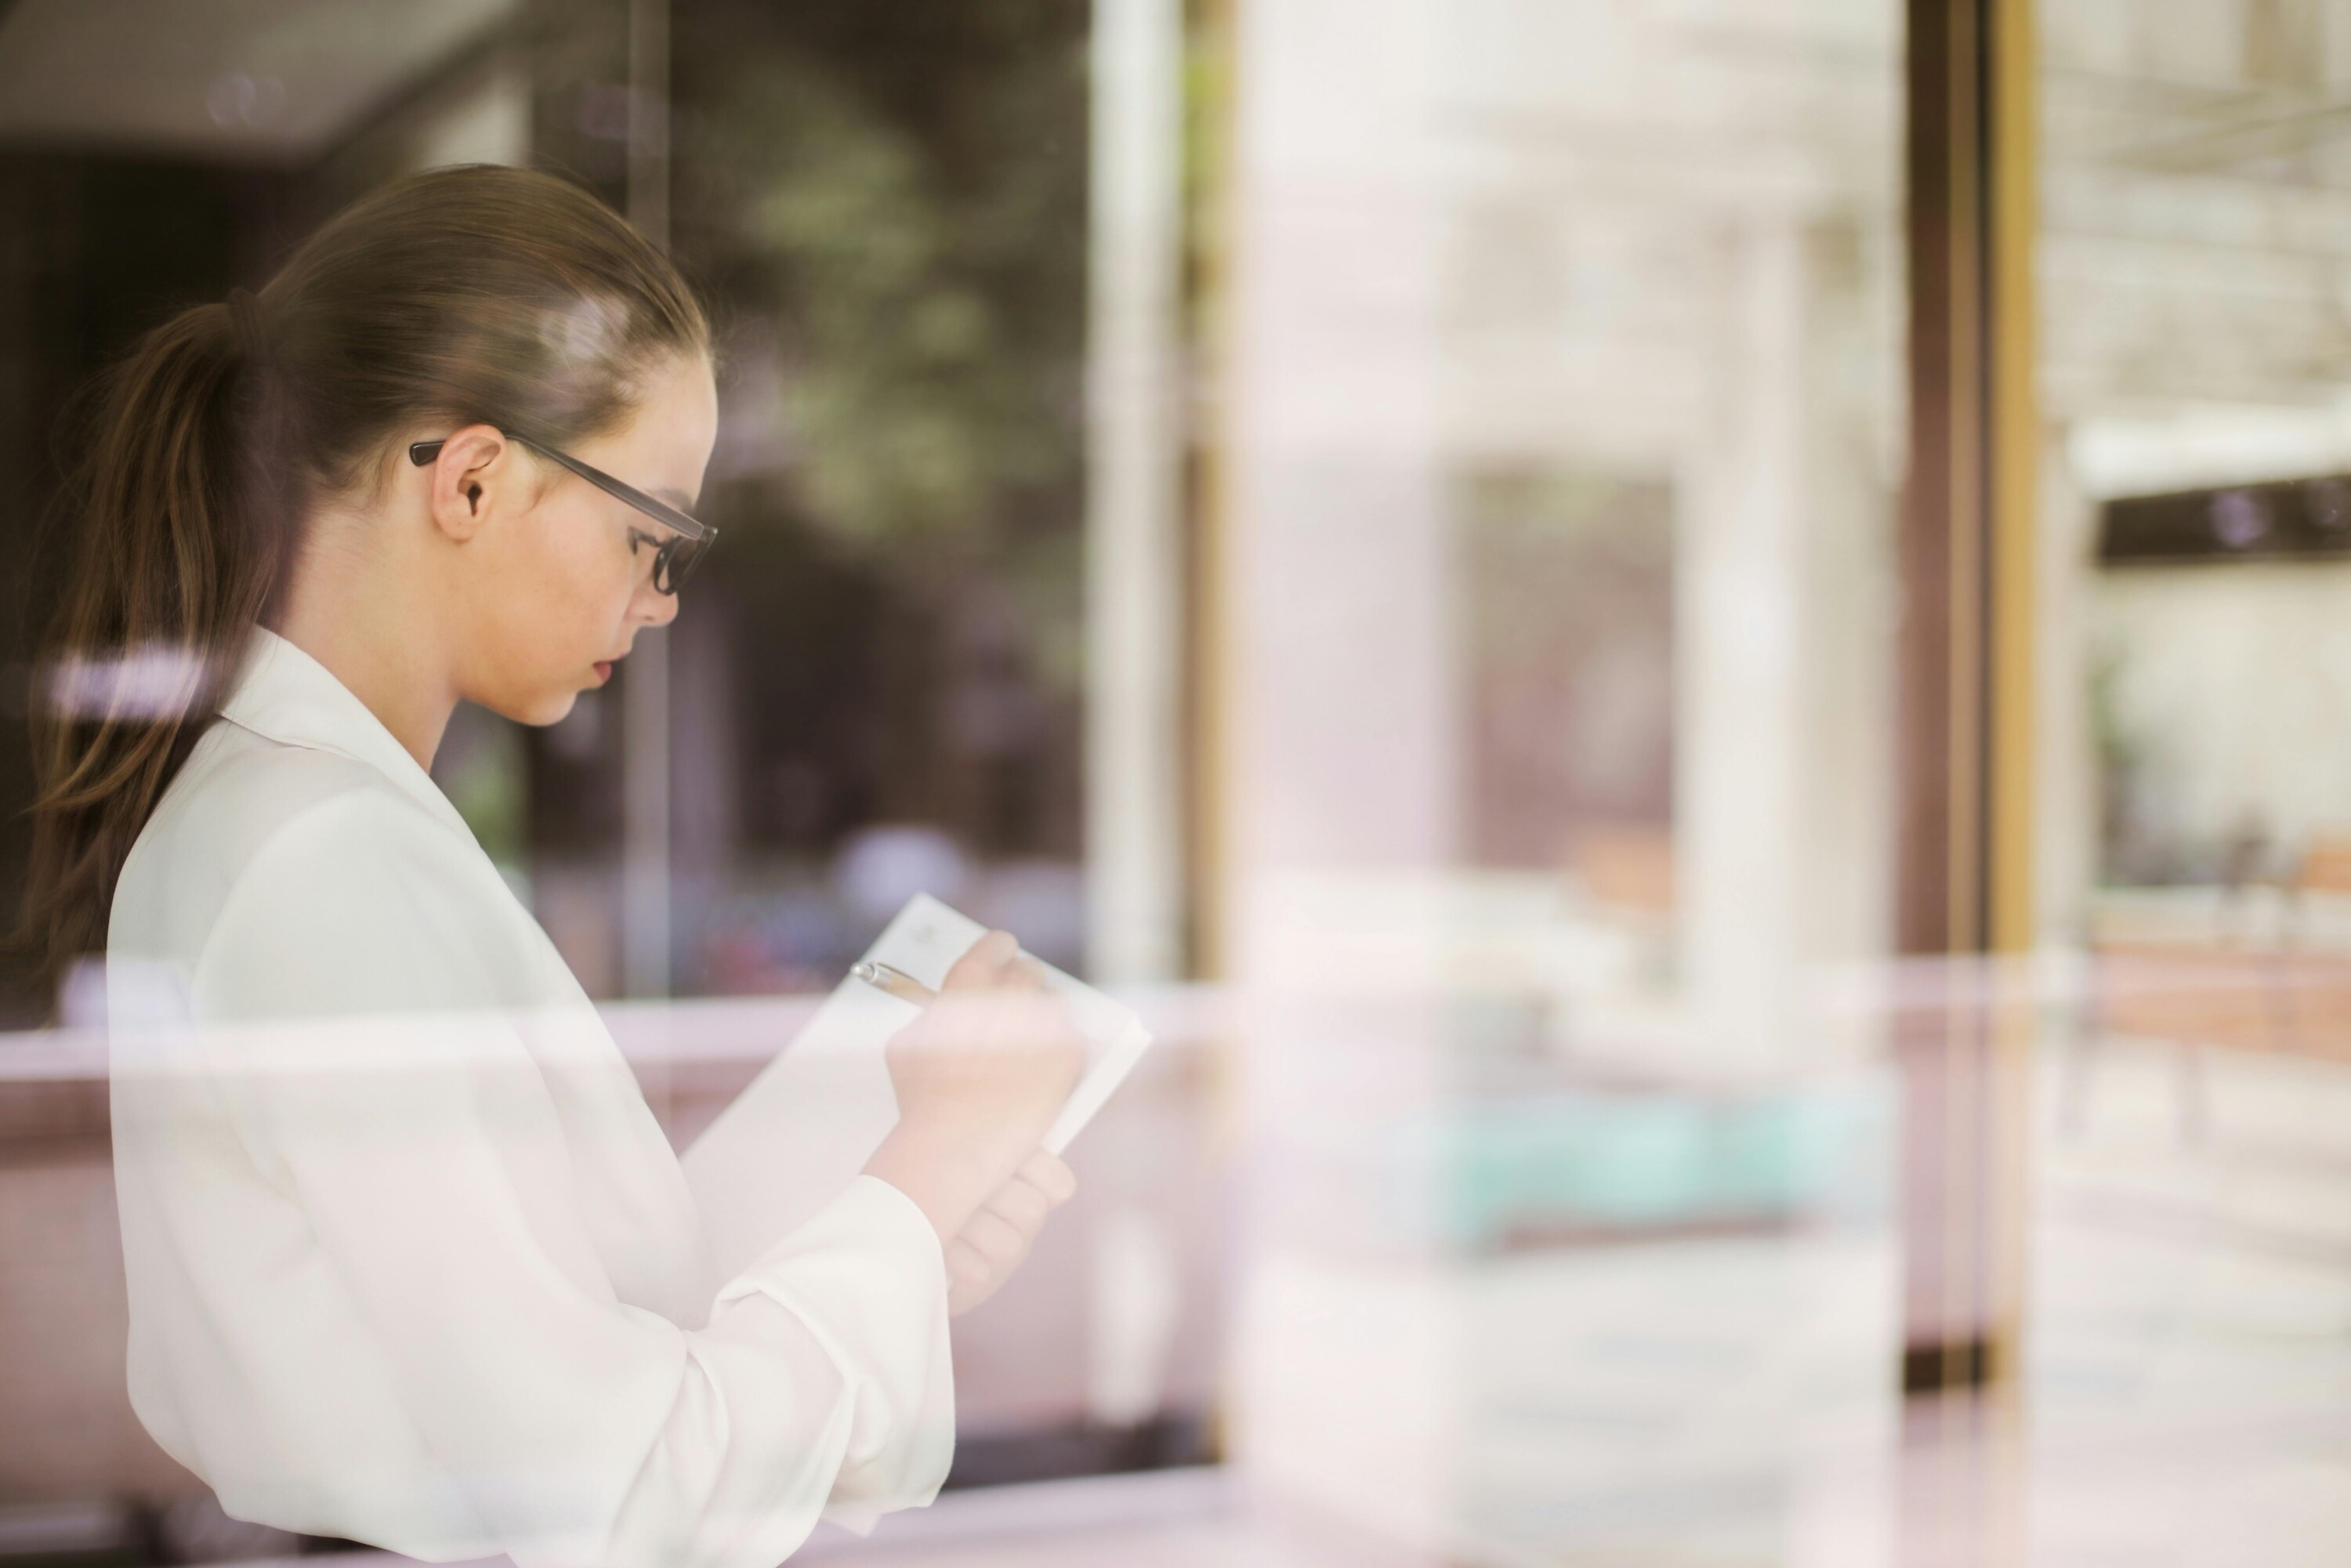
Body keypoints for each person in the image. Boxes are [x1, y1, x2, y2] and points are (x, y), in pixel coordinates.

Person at [19, 165, 1084, 1567]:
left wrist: (900, 1227)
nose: (657, 602)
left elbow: (573, 1371)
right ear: (470, 477)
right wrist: (934, 1158)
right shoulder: (321, 852)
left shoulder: (310, 817)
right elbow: (620, 1495)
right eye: (653, 533)